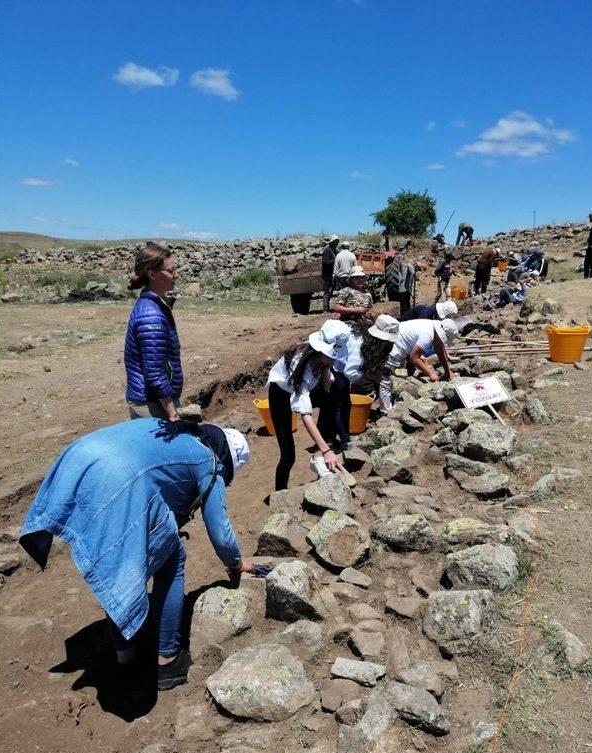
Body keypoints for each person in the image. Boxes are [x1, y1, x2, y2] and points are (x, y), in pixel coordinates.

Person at [19, 419, 253, 691]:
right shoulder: (209, 461)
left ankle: (125, 654)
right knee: (172, 558)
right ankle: (168, 661)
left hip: (79, 460)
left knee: (114, 558)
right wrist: (236, 564)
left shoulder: (173, 430)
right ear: (225, 457)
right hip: (115, 478)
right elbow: (221, 534)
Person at [266, 322, 349, 491]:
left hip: (304, 387)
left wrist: (327, 368)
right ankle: (281, 494)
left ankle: (317, 456)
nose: (335, 359)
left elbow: (327, 388)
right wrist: (328, 451)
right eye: (332, 356)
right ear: (321, 352)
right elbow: (305, 415)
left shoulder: (321, 361)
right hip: (280, 396)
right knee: (288, 456)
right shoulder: (300, 365)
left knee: (339, 387)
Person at [321, 314, 400, 452]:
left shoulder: (365, 336)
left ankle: (331, 438)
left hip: (337, 370)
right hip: (334, 371)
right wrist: (370, 375)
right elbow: (350, 372)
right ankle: (341, 442)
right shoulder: (360, 344)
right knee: (338, 407)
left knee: (339, 405)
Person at [125, 243, 182, 421]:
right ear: (152, 274)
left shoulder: (153, 305)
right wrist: (172, 413)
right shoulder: (151, 315)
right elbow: (154, 370)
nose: (176, 275)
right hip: (152, 404)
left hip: (153, 399)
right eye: (171, 270)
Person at [379, 318, 458, 411]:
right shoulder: (428, 335)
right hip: (392, 348)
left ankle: (395, 401)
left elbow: (440, 351)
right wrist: (430, 373)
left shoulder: (434, 327)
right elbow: (414, 357)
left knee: (398, 377)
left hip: (398, 345)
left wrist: (447, 371)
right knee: (385, 380)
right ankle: (386, 411)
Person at [321, 235, 339, 312]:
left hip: (334, 274)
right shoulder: (327, 250)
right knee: (327, 292)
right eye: (335, 242)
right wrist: (334, 260)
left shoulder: (335, 250)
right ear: (332, 242)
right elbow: (324, 262)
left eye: (337, 242)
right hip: (328, 275)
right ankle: (325, 309)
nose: (336, 243)